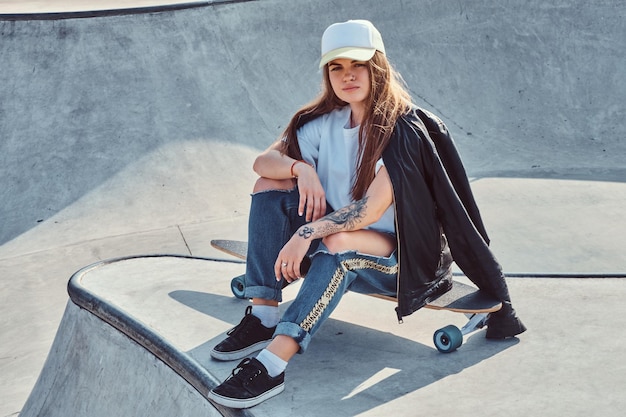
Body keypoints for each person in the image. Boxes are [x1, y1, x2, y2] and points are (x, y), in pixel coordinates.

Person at [207, 19, 526, 409]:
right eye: (336, 68)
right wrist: (300, 169)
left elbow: (367, 210)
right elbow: (264, 163)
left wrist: (305, 234)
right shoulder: (323, 122)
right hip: (329, 239)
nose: (348, 76)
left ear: (378, 66)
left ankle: (274, 361)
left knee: (338, 239)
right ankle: (263, 316)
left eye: (357, 65)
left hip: (395, 263)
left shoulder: (403, 130)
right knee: (270, 188)